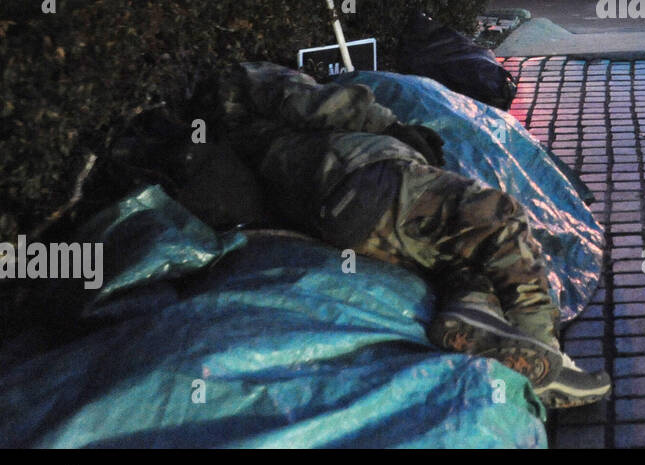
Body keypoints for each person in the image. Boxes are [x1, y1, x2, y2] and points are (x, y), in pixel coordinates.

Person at [149, 62, 612, 407]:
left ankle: (470, 315)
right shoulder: (243, 82)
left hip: (341, 221)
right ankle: (548, 358)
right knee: (498, 217)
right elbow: (323, 103)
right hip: (364, 177)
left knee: (459, 256)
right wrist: (393, 127)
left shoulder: (234, 147)